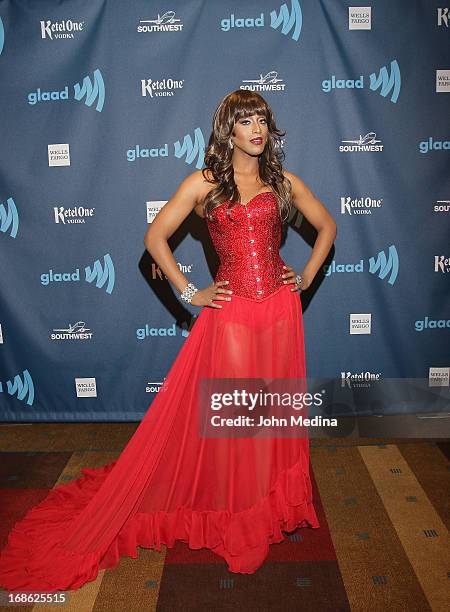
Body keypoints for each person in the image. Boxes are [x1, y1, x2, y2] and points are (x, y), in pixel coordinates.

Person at [0, 90, 336, 591]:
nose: (256, 129)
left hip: (280, 312)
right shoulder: (205, 183)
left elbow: (327, 225)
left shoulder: (280, 182)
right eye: (244, 121)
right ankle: (236, 519)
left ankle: (269, 507)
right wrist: (190, 291)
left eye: (261, 119)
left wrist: (305, 277)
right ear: (229, 130)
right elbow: (154, 238)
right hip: (234, 314)